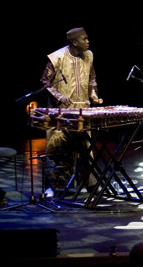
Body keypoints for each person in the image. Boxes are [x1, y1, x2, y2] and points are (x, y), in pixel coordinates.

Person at [39, 27, 103, 190]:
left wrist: (93, 94)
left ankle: (87, 184)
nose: (88, 41)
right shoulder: (57, 57)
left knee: (85, 150)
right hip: (62, 112)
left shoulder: (89, 55)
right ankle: (58, 187)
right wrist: (60, 97)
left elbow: (92, 78)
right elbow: (45, 82)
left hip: (82, 111)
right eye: (84, 39)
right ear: (75, 42)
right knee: (60, 150)